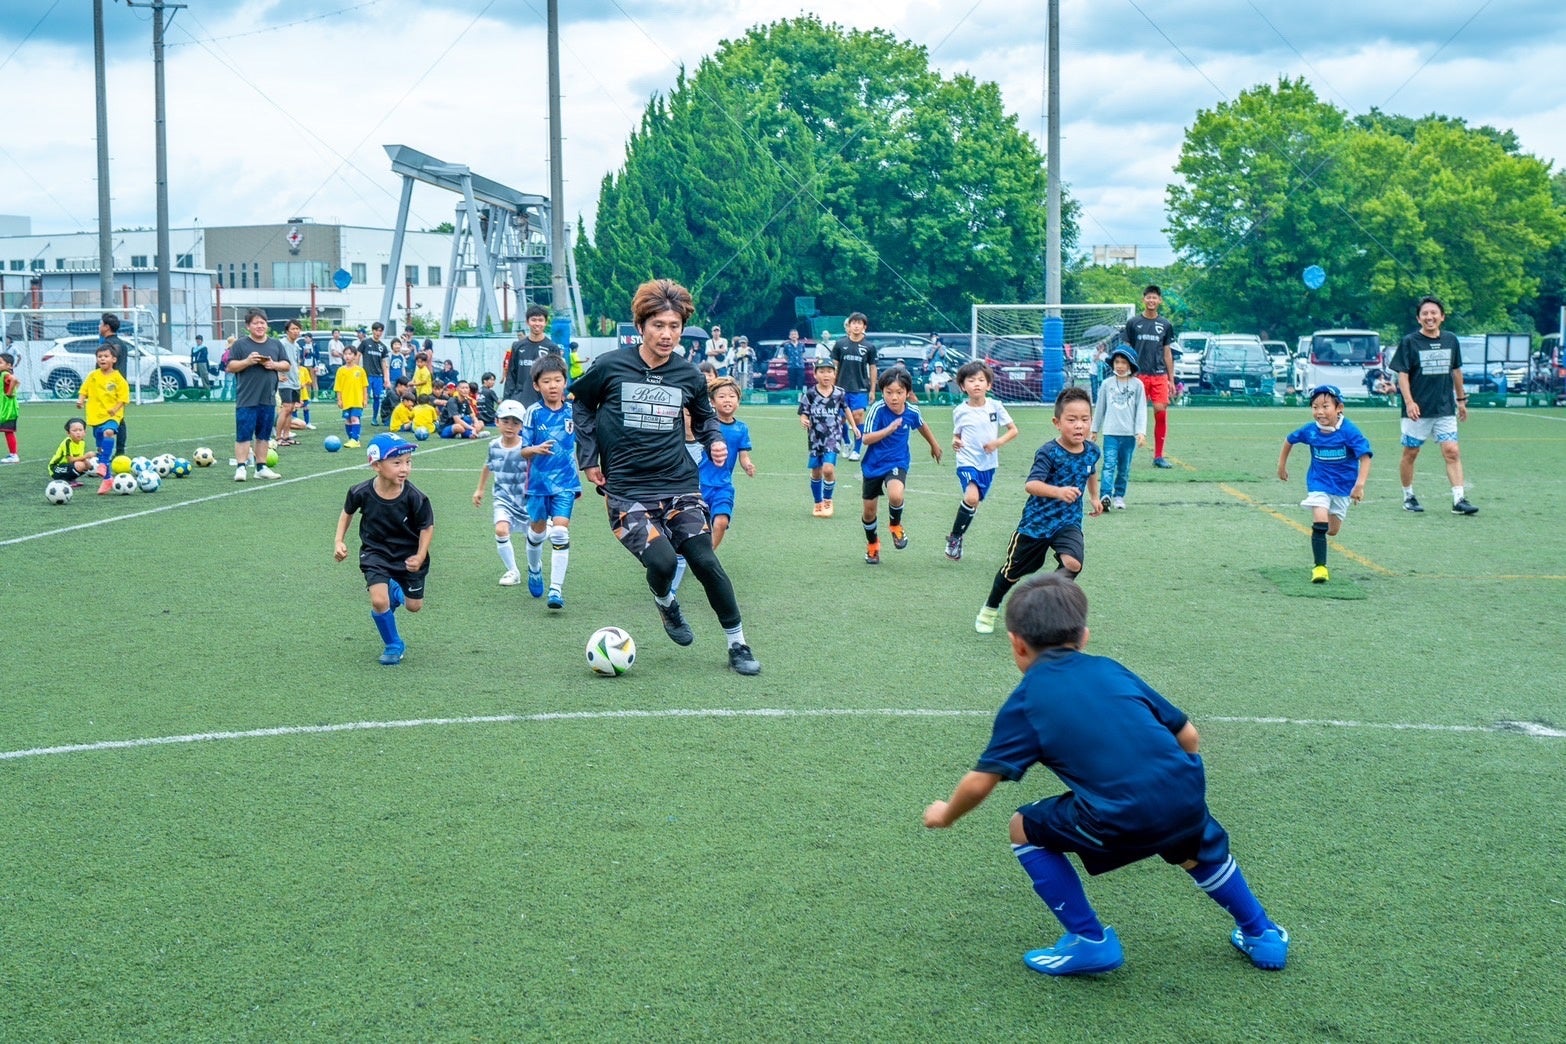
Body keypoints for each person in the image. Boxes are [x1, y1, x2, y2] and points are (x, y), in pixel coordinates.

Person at [924, 573, 1289, 976]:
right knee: (1193, 847)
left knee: (1022, 826)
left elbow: (980, 782)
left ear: (1016, 643)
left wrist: (946, 814)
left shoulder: (1027, 701)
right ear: (1084, 636)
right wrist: (1171, 785)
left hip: (1119, 817)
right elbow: (1188, 735)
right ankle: (1261, 932)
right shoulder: (1111, 669)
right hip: (1184, 791)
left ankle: (1089, 941)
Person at [570, 277, 761, 675]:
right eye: (658, 325)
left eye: (674, 326)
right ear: (640, 326)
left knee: (705, 561)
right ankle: (665, 603)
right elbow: (583, 406)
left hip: (679, 486)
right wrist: (589, 458)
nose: (666, 334)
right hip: (626, 491)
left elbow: (706, 417)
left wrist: (714, 441)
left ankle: (738, 645)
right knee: (661, 563)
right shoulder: (609, 366)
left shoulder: (689, 375)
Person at [974, 387, 1101, 634]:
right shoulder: (1049, 452)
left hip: (1068, 522)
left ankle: (1043, 601)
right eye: (1072, 420)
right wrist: (1059, 491)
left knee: (1073, 564)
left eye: (1085, 420)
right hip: (1036, 524)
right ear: (1057, 422)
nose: (1079, 426)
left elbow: (1091, 471)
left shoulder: (1092, 450)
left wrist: (1095, 497)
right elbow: (1031, 485)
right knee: (1012, 573)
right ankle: (990, 608)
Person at [333, 433, 433, 666]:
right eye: (397, 462)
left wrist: (419, 555)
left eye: (408, 462)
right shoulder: (361, 491)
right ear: (376, 465)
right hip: (375, 553)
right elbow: (346, 513)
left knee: (414, 606)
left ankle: (396, 590)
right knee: (379, 602)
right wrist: (338, 541)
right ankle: (393, 644)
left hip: (409, 556)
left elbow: (427, 527)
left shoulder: (415, 497)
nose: (404, 468)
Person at [1391, 296, 1478, 515]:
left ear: (1442, 316)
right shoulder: (1410, 342)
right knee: (1411, 452)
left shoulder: (1451, 340)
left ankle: (1459, 499)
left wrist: (1461, 400)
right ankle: (1408, 495)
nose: (1430, 317)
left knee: (1452, 451)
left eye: (1434, 313)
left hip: (1444, 409)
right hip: (1417, 411)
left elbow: (1456, 372)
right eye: (1425, 314)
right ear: (1419, 318)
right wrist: (1409, 402)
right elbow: (1403, 375)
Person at [1277, 384, 1372, 583]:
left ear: (1339, 408)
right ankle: (1320, 568)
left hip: (1343, 488)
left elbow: (1365, 457)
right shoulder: (1310, 430)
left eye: (1325, 406)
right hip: (1318, 483)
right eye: (1315, 407)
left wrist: (1359, 485)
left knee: (1332, 530)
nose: (1319, 412)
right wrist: (1281, 466)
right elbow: (1289, 440)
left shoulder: (1349, 431)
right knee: (1320, 519)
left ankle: (1322, 534)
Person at [859, 367, 942, 565]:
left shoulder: (912, 411)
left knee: (896, 495)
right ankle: (873, 546)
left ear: (908, 392)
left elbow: (922, 425)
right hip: (873, 465)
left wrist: (934, 445)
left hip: (897, 461)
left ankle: (895, 526)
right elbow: (866, 439)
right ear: (882, 392)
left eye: (899, 392)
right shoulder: (877, 410)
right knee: (869, 512)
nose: (894, 398)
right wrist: (887, 430)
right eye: (889, 392)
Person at [521, 355, 582, 608]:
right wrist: (534, 449)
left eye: (558, 380)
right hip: (537, 484)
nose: (553, 385)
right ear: (537, 386)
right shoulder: (532, 414)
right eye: (547, 381)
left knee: (559, 532)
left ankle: (556, 590)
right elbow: (522, 450)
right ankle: (534, 568)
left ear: (565, 382)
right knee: (537, 533)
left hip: (566, 482)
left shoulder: (573, 411)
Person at [945, 361, 1018, 561]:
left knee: (974, 503)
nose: (976, 384)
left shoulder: (995, 406)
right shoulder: (960, 410)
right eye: (971, 380)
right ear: (962, 386)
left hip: (988, 464)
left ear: (989, 385)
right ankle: (954, 538)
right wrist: (955, 441)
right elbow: (957, 434)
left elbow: (1013, 430)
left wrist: (996, 443)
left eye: (981, 380)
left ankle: (956, 537)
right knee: (971, 498)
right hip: (966, 461)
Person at [225, 309, 289, 482]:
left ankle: (261, 467)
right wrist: (247, 361)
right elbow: (230, 366)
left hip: (268, 398)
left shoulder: (275, 344)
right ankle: (241, 467)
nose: (260, 326)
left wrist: (273, 364)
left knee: (264, 434)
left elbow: (286, 365)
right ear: (248, 326)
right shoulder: (240, 345)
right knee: (243, 434)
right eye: (255, 323)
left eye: (262, 323)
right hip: (246, 398)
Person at [473, 398, 530, 588]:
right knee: (501, 529)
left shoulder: (526, 447)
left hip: (526, 500)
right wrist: (480, 489)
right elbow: (487, 466)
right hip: (503, 498)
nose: (510, 426)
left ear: (522, 425)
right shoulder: (493, 446)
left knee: (536, 536)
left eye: (515, 422)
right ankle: (513, 571)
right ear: (497, 421)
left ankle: (535, 567)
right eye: (505, 421)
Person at [698, 376, 755, 550]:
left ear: (738, 401)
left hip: (723, 485)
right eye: (722, 397)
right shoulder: (706, 424)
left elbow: (743, 454)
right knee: (695, 526)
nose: (727, 400)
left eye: (731, 396)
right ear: (713, 402)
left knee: (721, 521)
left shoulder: (741, 428)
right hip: (698, 484)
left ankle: (706, 557)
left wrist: (747, 465)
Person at [1123, 285, 1176, 468]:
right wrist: (1126, 372)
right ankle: (1126, 455)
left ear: (1159, 300)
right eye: (1148, 297)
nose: (1151, 301)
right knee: (1132, 415)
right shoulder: (1133, 323)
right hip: (1138, 376)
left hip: (1159, 376)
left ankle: (1158, 456)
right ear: (1143, 299)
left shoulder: (1166, 325)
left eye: (1155, 298)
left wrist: (1171, 379)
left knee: (1160, 412)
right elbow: (1126, 349)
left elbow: (1167, 352)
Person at [798, 357, 858, 517]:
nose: (826, 375)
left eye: (829, 371)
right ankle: (817, 502)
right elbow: (803, 412)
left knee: (828, 469)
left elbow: (846, 410)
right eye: (822, 371)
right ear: (815, 374)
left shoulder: (839, 393)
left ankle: (828, 500)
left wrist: (853, 426)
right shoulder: (810, 394)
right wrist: (804, 419)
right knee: (816, 472)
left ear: (835, 374)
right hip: (815, 438)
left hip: (833, 436)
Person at [1091, 347, 1148, 511]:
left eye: (1123, 362)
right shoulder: (1106, 384)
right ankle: (1105, 496)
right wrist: (1094, 430)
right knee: (1109, 465)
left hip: (1129, 435)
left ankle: (1119, 496)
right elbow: (1100, 408)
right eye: (1117, 362)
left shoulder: (1138, 385)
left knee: (1124, 468)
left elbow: (1141, 410)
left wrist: (1140, 432)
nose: (1120, 366)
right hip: (1110, 433)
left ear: (1130, 365)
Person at [75, 343, 128, 495]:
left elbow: (123, 398)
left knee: (109, 432)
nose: (102, 359)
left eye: (106, 356)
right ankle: (107, 479)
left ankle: (103, 464)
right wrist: (80, 400)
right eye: (100, 357)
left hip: (112, 417)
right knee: (101, 448)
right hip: (95, 417)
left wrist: (115, 409)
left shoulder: (118, 379)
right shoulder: (93, 376)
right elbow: (83, 391)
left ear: (114, 359)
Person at [833, 313, 878, 461]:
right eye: (854, 323)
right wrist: (831, 387)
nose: (857, 326)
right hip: (841, 388)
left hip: (860, 388)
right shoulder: (840, 344)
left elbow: (872, 369)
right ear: (849, 326)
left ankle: (857, 451)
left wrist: (872, 389)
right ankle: (846, 442)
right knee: (840, 420)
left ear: (864, 327)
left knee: (858, 416)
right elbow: (835, 367)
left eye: (860, 323)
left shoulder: (869, 347)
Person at [503, 305, 560, 406]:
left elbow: (557, 377)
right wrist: (506, 400)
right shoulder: (518, 346)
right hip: (519, 401)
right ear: (527, 322)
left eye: (540, 320)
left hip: (543, 401)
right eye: (533, 320)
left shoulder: (552, 348)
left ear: (545, 322)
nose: (537, 323)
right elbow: (511, 375)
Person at [100, 312, 132, 457]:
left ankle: (105, 451)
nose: (99, 327)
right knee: (119, 418)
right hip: (120, 385)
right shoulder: (122, 343)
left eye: (101, 324)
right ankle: (119, 451)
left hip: (109, 387)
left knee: (105, 419)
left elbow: (104, 367)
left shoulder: (108, 345)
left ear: (106, 327)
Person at [273, 319, 304, 447]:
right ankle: (278, 437)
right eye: (293, 329)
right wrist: (278, 374)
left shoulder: (296, 346)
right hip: (285, 383)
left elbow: (296, 364)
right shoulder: (282, 344)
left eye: (297, 329)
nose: (296, 331)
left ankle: (286, 436)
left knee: (291, 409)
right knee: (285, 408)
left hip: (295, 381)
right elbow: (274, 360)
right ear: (287, 331)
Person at [333, 344, 369, 449]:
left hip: (357, 400)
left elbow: (364, 386)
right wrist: (339, 399)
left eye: (350, 354)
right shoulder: (341, 370)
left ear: (355, 356)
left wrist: (365, 399)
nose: (347, 356)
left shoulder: (360, 370)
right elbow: (338, 387)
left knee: (354, 418)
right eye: (345, 354)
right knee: (348, 419)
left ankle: (355, 440)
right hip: (346, 400)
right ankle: (351, 439)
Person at [358, 322, 390, 427]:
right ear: (373, 331)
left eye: (380, 331)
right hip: (366, 375)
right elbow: (358, 355)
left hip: (378, 376)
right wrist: (356, 370)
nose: (378, 333)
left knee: (377, 397)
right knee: (363, 396)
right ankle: (357, 417)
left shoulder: (383, 347)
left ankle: (374, 418)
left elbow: (384, 363)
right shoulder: (365, 343)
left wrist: (386, 378)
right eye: (376, 330)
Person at [48, 417, 95, 485]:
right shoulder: (67, 442)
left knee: (85, 465)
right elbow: (70, 460)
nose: (78, 432)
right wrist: (86, 456)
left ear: (85, 432)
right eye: (74, 430)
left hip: (67, 467)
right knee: (80, 465)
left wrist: (89, 465)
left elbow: (80, 458)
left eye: (80, 430)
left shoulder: (82, 442)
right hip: (56, 468)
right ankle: (66, 480)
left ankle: (71, 479)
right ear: (68, 433)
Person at [0, 351, 18, 463]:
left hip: (8, 411)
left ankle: (13, 455)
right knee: (8, 432)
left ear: (9, 365)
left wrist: (9, 393)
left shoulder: (5, 374)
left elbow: (14, 380)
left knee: (8, 432)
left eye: (0, 363)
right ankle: (13, 455)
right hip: (5, 410)